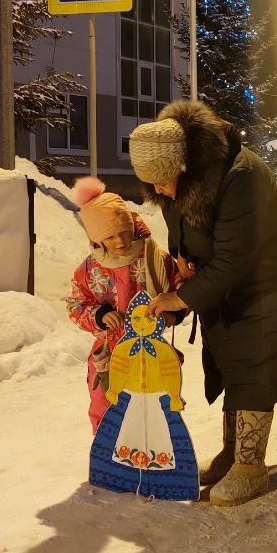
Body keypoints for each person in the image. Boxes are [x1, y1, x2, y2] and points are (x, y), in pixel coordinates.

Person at [131, 100, 277, 507]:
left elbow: (235, 259)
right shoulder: (174, 181)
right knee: (226, 349)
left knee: (255, 354)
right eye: (153, 186)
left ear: (184, 167)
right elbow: (185, 236)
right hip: (230, 271)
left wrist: (182, 296)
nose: (159, 192)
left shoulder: (241, 176)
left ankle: (250, 465)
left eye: (163, 183)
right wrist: (184, 274)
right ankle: (232, 452)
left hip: (276, 274)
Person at [65, 177, 181, 433]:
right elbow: (75, 303)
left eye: (123, 231)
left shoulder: (153, 257)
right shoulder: (91, 268)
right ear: (97, 240)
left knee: (150, 404)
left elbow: (177, 286)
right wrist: (99, 315)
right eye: (110, 236)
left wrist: (174, 312)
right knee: (105, 401)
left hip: (149, 349)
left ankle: (148, 457)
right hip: (109, 351)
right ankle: (107, 454)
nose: (120, 241)